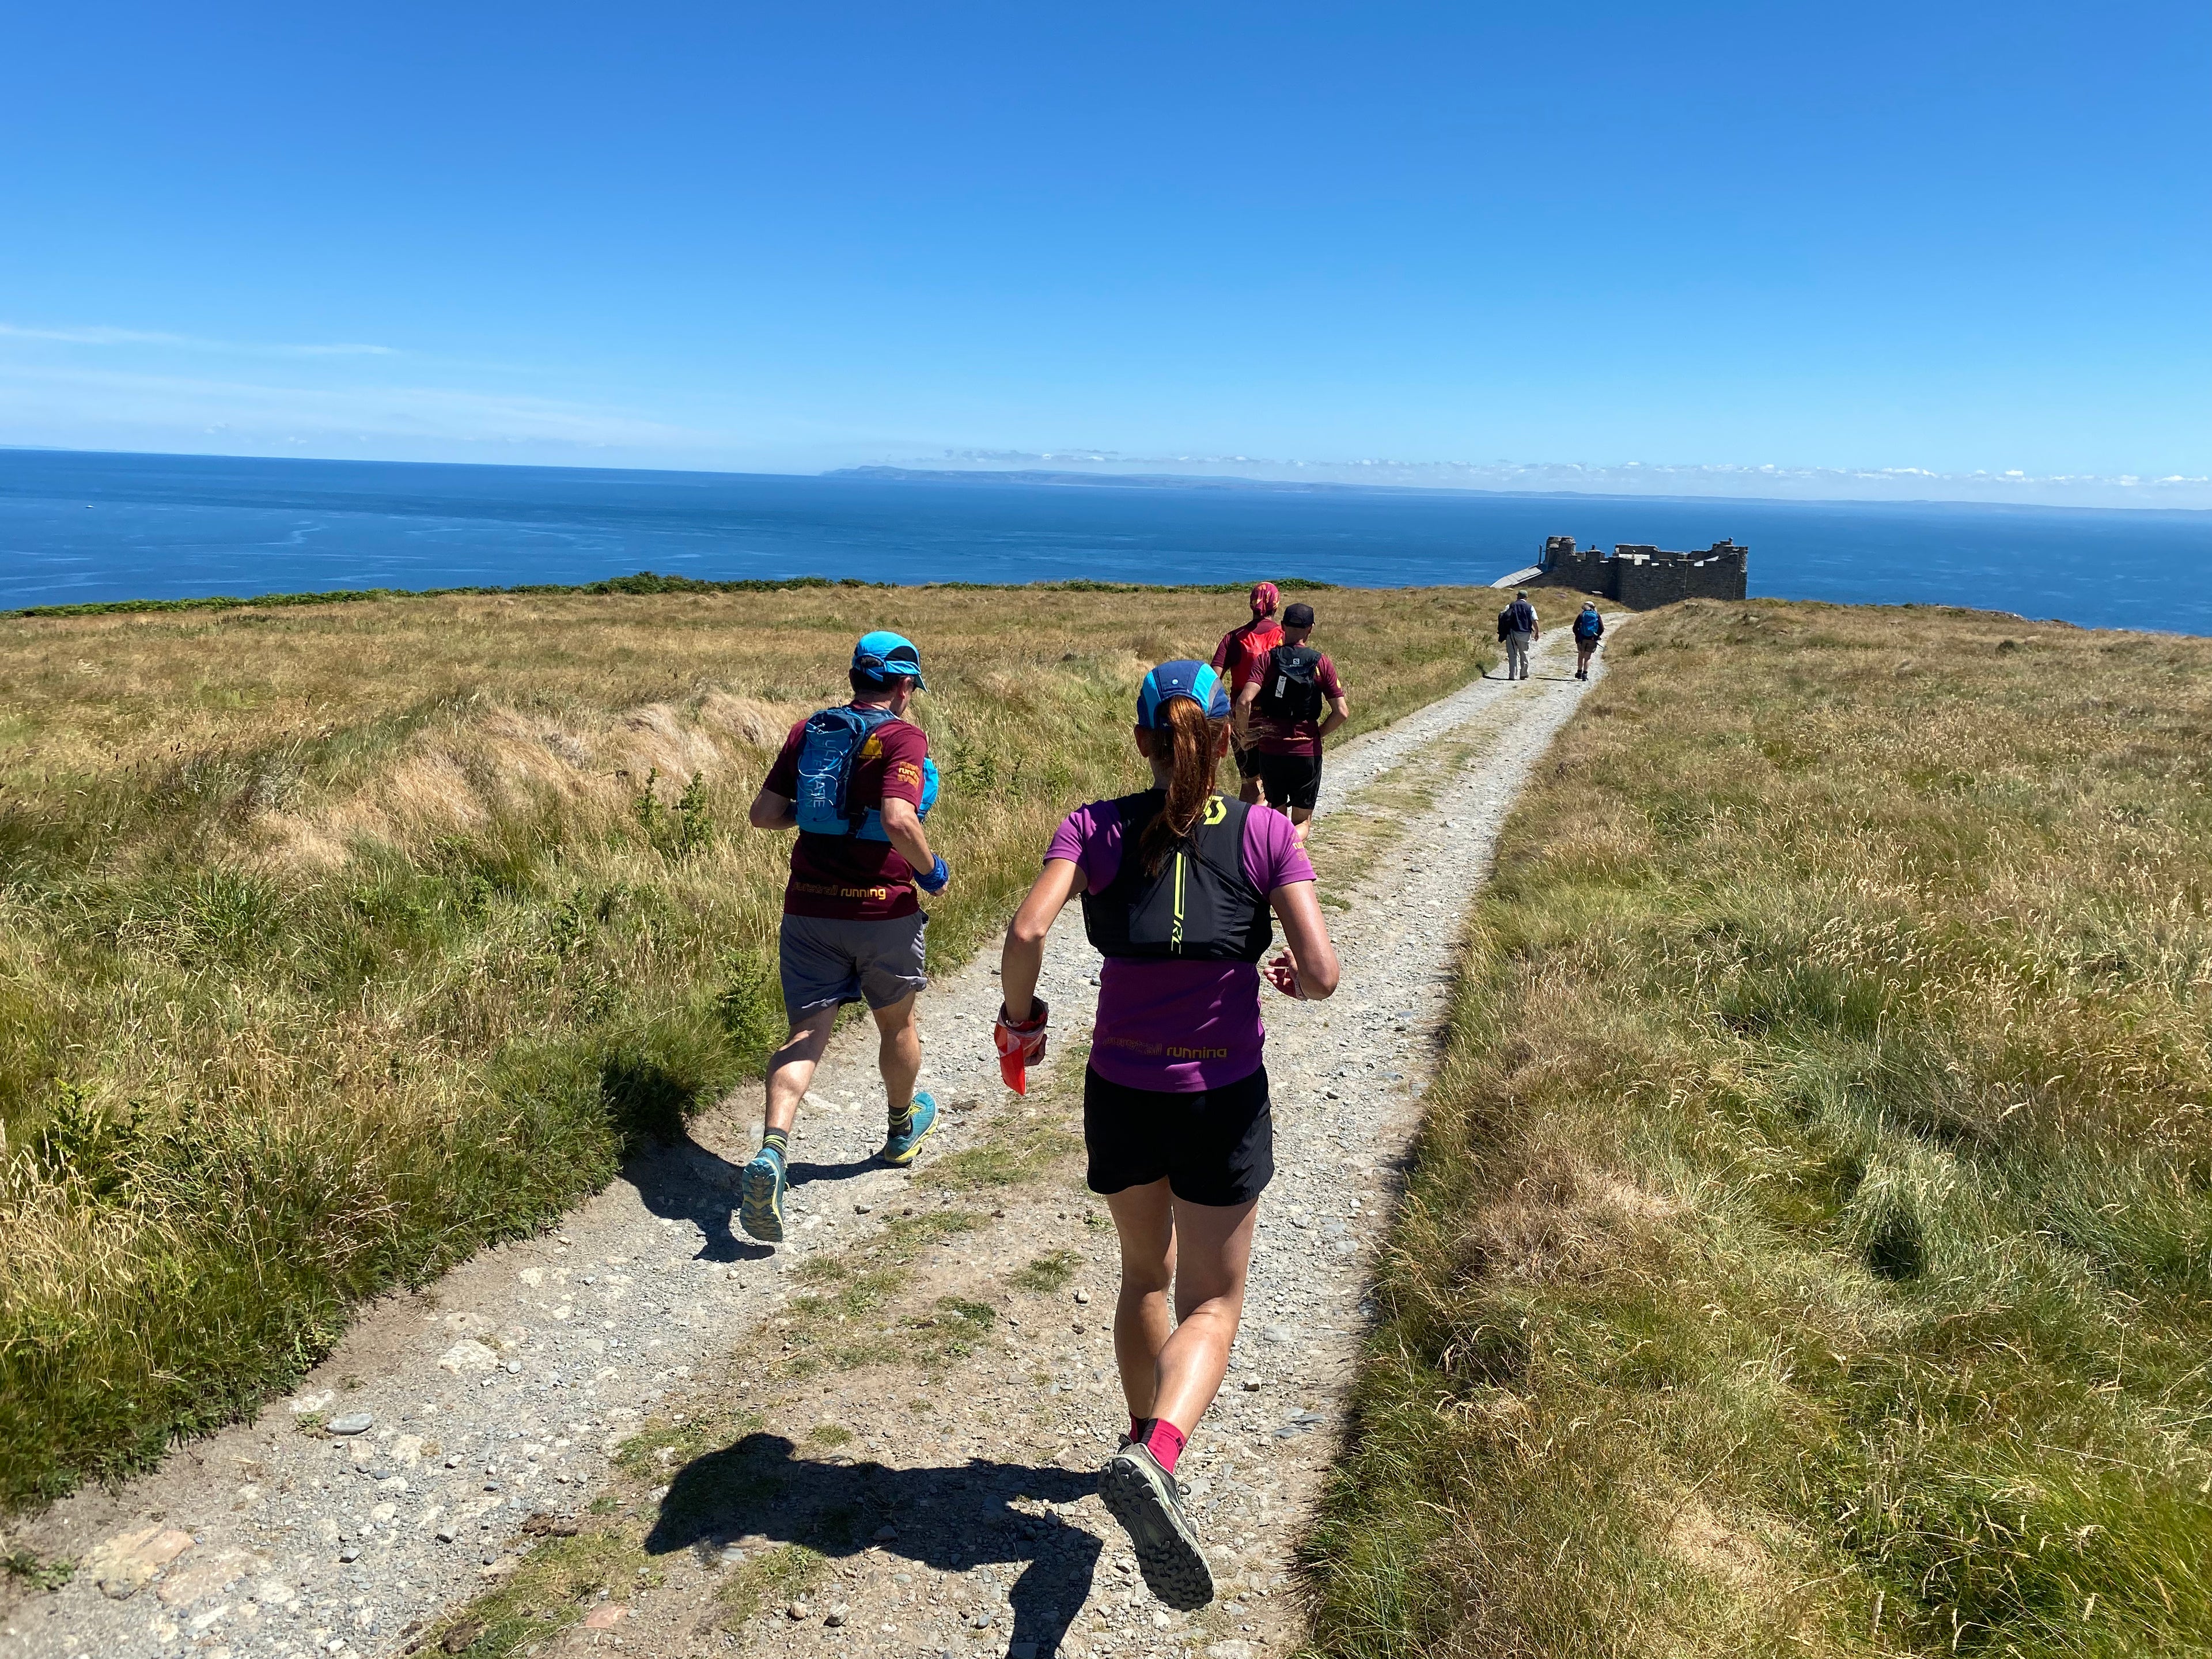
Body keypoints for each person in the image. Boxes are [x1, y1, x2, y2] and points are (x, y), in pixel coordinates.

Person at [996, 660, 1340, 1611]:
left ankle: (1142, 1447)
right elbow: (1321, 967)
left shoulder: (1093, 825)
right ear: (1225, 740)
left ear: (1142, 740)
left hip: (1121, 1089)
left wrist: (1020, 1022)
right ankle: (1157, 1456)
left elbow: (1028, 931)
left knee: (1144, 1276)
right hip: (1220, 1095)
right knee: (1214, 1303)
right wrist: (1290, 982)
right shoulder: (1266, 831)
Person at [740, 631, 951, 1242]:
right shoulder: (903, 737)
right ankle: (899, 1128)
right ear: (904, 685)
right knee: (897, 1027)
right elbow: (898, 818)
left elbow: (764, 815)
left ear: (856, 676)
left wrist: (819, 823)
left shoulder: (811, 730)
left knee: (806, 1035)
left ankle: (773, 1151)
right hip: (883, 913)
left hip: (808, 910)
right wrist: (930, 871)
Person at [1234, 600, 1347, 835]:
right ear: (1311, 628)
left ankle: (1271, 855)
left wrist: (1245, 737)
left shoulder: (1266, 660)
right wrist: (1318, 734)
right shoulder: (1321, 662)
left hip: (1271, 751)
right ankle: (1289, 860)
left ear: (1283, 626)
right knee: (1301, 823)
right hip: (1306, 752)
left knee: (1275, 817)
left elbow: (1244, 702)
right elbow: (1342, 713)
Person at [1209, 582, 1283, 805]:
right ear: (1276, 607)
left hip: (1242, 715)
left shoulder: (1233, 638)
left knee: (1248, 780)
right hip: (1275, 715)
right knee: (1273, 780)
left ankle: (1246, 829)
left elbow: (1213, 680)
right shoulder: (1283, 637)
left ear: (1251, 605)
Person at [1497, 590, 1539, 681]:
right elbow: (1534, 620)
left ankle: (1512, 675)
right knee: (1524, 653)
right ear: (1526, 598)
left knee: (1512, 655)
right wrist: (1537, 632)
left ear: (1518, 597)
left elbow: (1502, 615)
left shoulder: (1510, 606)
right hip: (1525, 634)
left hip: (1511, 633)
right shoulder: (1530, 607)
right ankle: (1523, 674)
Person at [1571, 601, 1604, 680]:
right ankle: (1585, 674)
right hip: (1592, 639)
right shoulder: (1597, 615)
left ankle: (1579, 672)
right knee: (1588, 657)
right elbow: (1602, 629)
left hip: (1581, 639)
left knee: (1581, 655)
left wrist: (1578, 636)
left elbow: (1575, 628)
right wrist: (1596, 636)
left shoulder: (1582, 615)